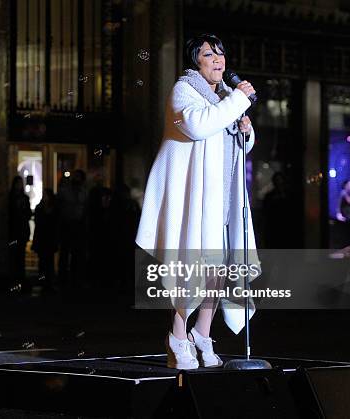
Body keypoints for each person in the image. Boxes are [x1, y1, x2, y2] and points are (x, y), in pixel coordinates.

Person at [135, 34, 260, 370]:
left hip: (219, 203)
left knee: (217, 273)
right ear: (196, 61)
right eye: (209, 54)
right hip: (193, 203)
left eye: (221, 54)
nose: (218, 60)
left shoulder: (223, 98)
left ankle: (202, 334)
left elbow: (233, 147)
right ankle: (177, 336)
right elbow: (197, 126)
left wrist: (245, 133)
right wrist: (235, 103)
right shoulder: (184, 91)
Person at [32, 188, 59, 293]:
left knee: (48, 262)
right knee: (44, 262)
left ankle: (48, 283)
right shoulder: (40, 208)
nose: (44, 197)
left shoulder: (52, 208)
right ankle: (44, 283)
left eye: (46, 195)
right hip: (44, 239)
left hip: (48, 239)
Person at [8, 176, 32, 291]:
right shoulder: (11, 198)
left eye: (20, 183)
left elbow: (27, 214)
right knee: (14, 255)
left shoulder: (23, 198)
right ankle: (15, 278)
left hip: (21, 231)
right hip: (14, 231)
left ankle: (20, 278)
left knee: (20, 256)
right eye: (17, 183)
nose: (19, 185)